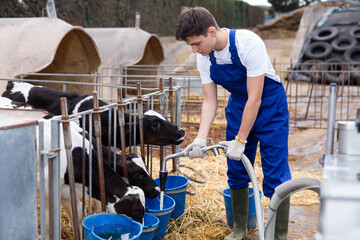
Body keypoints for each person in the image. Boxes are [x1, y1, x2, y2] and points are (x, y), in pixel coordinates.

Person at [175, 6, 291, 240]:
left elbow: (255, 97)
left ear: (211, 32)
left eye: (196, 43)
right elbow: (209, 99)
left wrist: (240, 139)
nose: (195, 50)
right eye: (191, 46)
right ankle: (240, 228)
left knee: (275, 171)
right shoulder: (204, 59)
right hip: (239, 107)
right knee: (236, 170)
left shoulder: (249, 42)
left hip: (269, 107)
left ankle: (279, 235)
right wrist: (200, 137)